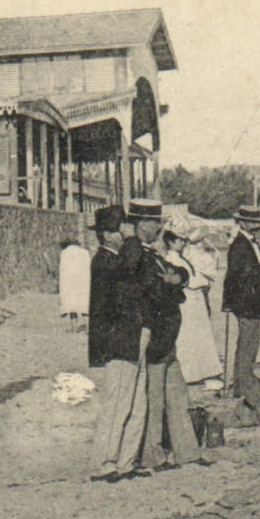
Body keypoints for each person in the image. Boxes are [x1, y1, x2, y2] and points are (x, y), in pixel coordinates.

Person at [135, 204, 206, 471]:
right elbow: (157, 292)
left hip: (167, 338)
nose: (160, 230)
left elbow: (183, 276)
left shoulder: (153, 256)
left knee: (178, 396)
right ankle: (153, 455)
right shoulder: (140, 257)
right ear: (143, 224)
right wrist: (172, 284)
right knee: (155, 399)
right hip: (156, 338)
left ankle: (187, 451)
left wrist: (175, 280)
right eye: (156, 224)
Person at [88, 205, 149, 483]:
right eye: (120, 228)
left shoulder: (115, 260)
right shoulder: (105, 261)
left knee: (135, 402)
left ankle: (125, 460)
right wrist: (133, 239)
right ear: (108, 234)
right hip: (118, 340)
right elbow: (129, 269)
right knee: (117, 404)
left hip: (130, 337)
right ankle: (104, 462)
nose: (124, 233)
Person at [222, 204, 260, 411]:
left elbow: (256, 268)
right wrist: (228, 302)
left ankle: (241, 384)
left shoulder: (251, 244)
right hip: (246, 299)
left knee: (248, 342)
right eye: (252, 223)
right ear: (243, 223)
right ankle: (244, 385)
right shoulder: (239, 245)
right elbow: (232, 276)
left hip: (254, 297)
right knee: (248, 343)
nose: (255, 226)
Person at [165, 227, 225, 387]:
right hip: (187, 301)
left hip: (194, 301)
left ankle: (201, 371)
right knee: (188, 338)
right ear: (170, 242)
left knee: (199, 336)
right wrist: (204, 281)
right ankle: (188, 373)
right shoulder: (171, 259)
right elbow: (189, 280)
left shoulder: (181, 257)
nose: (182, 243)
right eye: (179, 240)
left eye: (183, 240)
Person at [58, 238, 91, 331]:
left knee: (71, 305)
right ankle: (88, 326)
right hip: (83, 281)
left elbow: (63, 270)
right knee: (84, 305)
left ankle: (74, 327)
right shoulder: (85, 252)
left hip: (69, 282)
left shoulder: (64, 253)